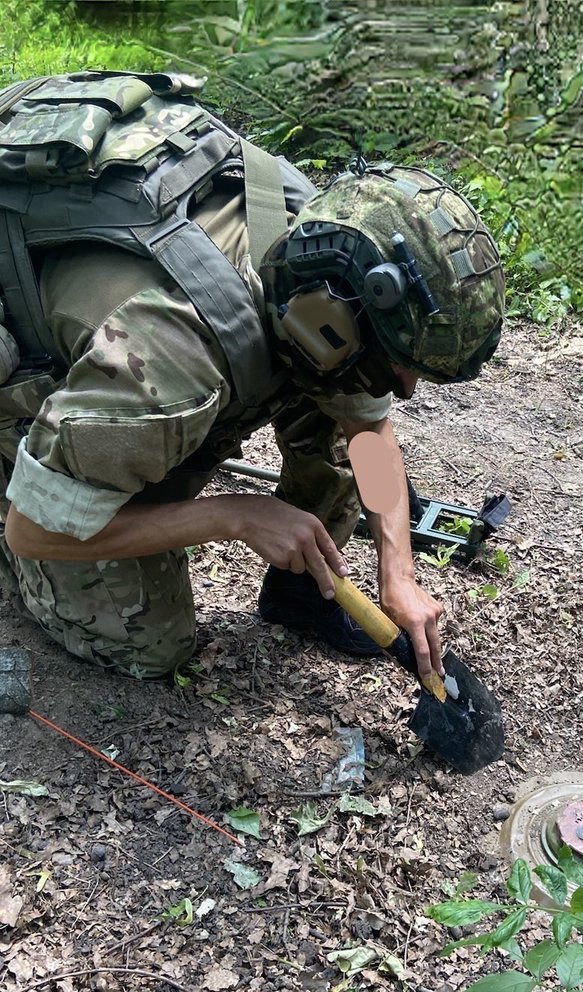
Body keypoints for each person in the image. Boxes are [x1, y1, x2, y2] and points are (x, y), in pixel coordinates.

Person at [0, 74, 505, 684]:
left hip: (146, 351)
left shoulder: (326, 249)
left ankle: (298, 595)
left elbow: (368, 432)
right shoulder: (169, 364)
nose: (405, 392)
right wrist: (233, 515)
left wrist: (396, 566)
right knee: (146, 643)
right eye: (398, 370)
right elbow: (33, 531)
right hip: (65, 383)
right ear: (333, 322)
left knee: (335, 410)